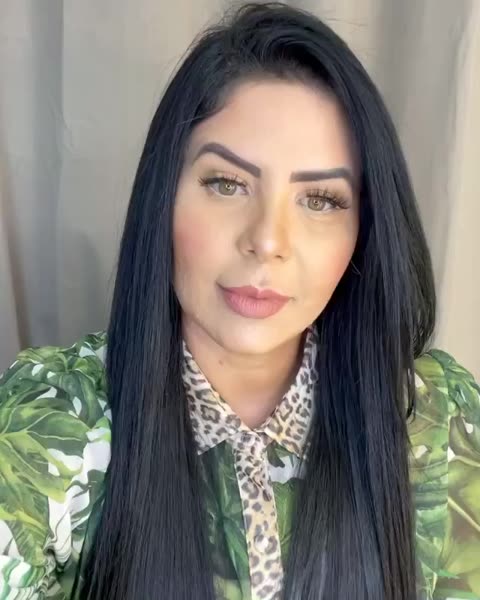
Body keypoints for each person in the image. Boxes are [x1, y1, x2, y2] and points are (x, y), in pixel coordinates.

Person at [0, 2, 479, 599]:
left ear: (365, 230)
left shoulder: (439, 424)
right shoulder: (55, 421)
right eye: (227, 184)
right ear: (163, 196)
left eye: (321, 200)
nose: (268, 240)